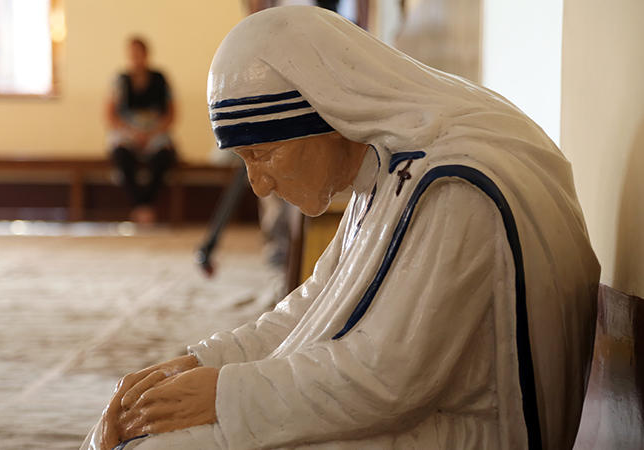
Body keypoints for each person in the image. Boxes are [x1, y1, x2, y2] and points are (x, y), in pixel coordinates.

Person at [82, 6, 600, 450]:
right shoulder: (384, 175)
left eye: (262, 153)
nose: (258, 184)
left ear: (328, 111)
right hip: (409, 417)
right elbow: (310, 309)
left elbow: (387, 378)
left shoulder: (453, 188)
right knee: (145, 430)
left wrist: (224, 393)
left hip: (465, 433)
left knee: (159, 444)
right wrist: (196, 363)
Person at [106, 37, 177, 224]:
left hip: (155, 131)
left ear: (147, 54)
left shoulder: (160, 78)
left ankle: (144, 206)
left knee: (165, 154)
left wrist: (152, 132)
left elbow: (171, 113)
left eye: (140, 53)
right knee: (120, 154)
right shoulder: (120, 80)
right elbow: (111, 115)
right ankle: (141, 206)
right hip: (128, 132)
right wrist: (132, 132)